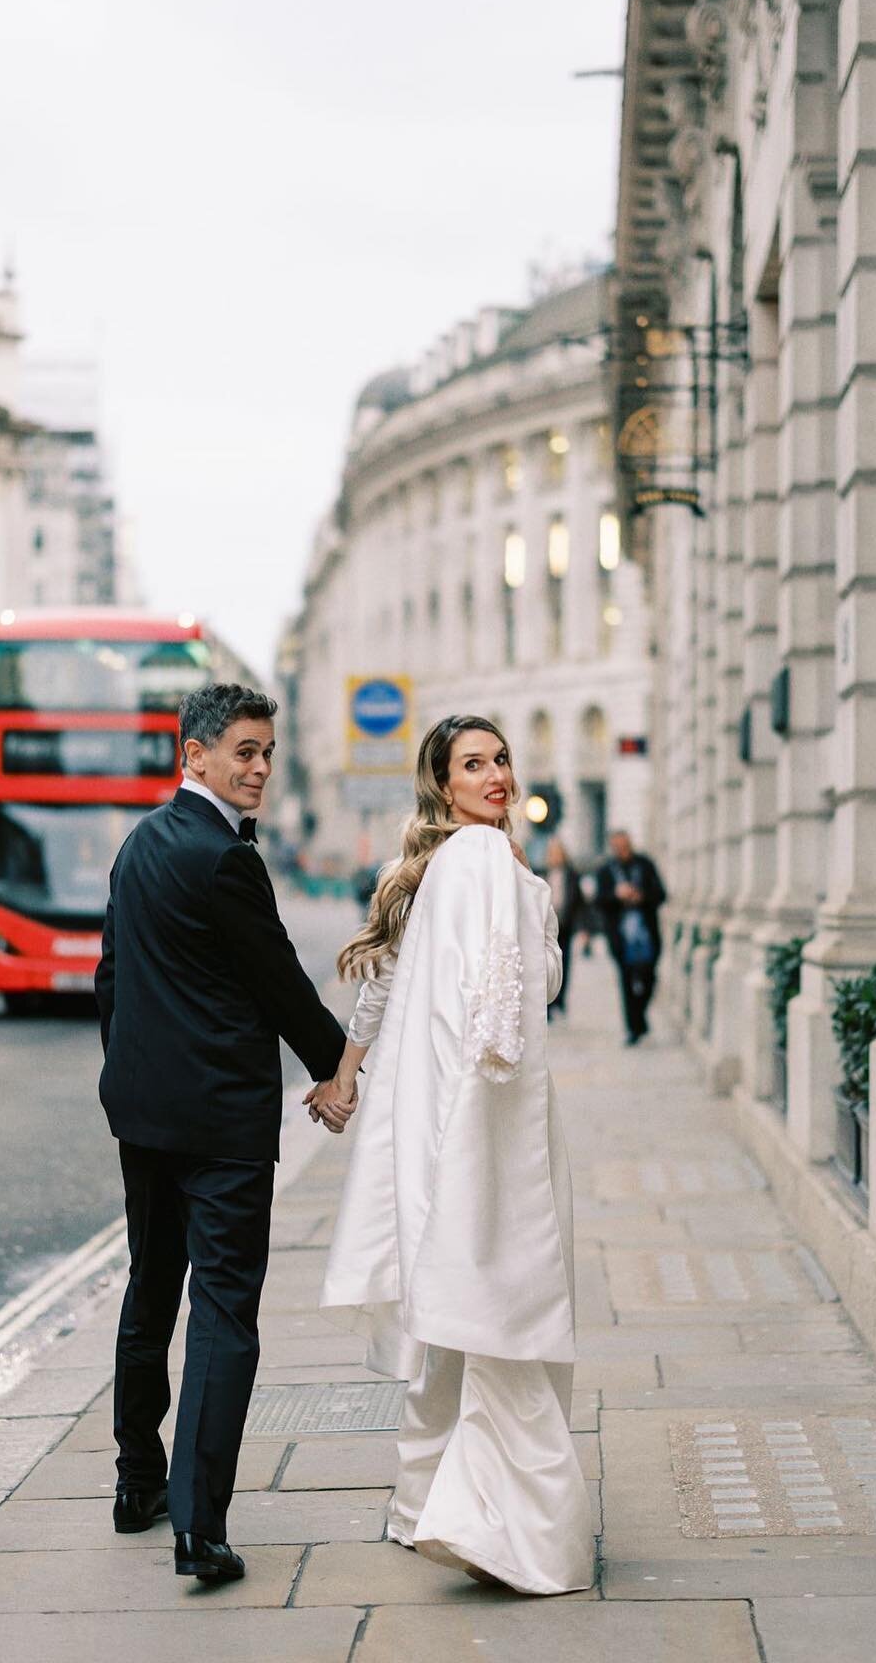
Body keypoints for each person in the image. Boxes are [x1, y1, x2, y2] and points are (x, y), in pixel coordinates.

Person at [314, 715, 596, 1596]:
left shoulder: (451, 866)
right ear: (442, 785)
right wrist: (485, 1108)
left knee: (451, 1313)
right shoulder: (481, 863)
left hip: (445, 1114)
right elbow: (505, 1004)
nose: (495, 774)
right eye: (473, 764)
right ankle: (505, 1529)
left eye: (501, 758)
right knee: (502, 1304)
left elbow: (387, 988)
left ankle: (426, 1497)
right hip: (490, 1115)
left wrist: (346, 1078)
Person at [95, 682, 350, 1584]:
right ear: (194, 755)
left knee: (151, 1291)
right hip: (223, 1127)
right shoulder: (224, 859)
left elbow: (112, 982)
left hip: (145, 1116)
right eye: (244, 751)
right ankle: (198, 1526)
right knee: (225, 1312)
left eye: (267, 753)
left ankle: (137, 1484)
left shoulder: (139, 848)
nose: (260, 768)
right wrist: (339, 1063)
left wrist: (125, 1077)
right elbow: (279, 983)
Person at [595, 830, 666, 1046]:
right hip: (620, 937)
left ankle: (640, 1017)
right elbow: (599, 901)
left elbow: (661, 894)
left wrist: (641, 896)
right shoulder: (606, 870)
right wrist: (617, 896)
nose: (622, 851)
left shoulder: (644, 865)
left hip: (647, 934)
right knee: (626, 981)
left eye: (625, 846)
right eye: (618, 847)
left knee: (649, 978)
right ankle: (633, 1028)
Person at [540, 835, 584, 1018]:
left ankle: (560, 1000)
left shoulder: (571, 874)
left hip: (565, 926)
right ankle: (548, 1004)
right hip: (545, 928)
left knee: (563, 964)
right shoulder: (541, 872)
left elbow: (579, 902)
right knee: (544, 964)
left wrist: (583, 928)